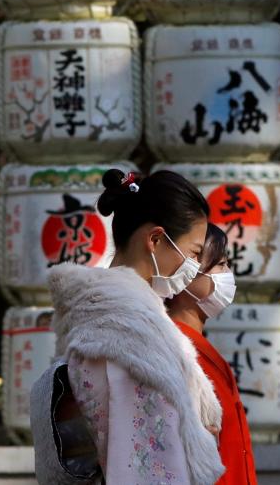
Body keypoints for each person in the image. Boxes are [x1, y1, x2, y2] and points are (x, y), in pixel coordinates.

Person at [32, 169, 226, 485]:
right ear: (155, 239)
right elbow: (144, 469)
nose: (192, 270)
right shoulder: (126, 336)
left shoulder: (107, 321)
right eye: (193, 253)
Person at [167, 224, 258, 485]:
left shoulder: (198, 346)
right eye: (218, 265)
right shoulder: (177, 350)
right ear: (183, 275)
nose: (227, 275)